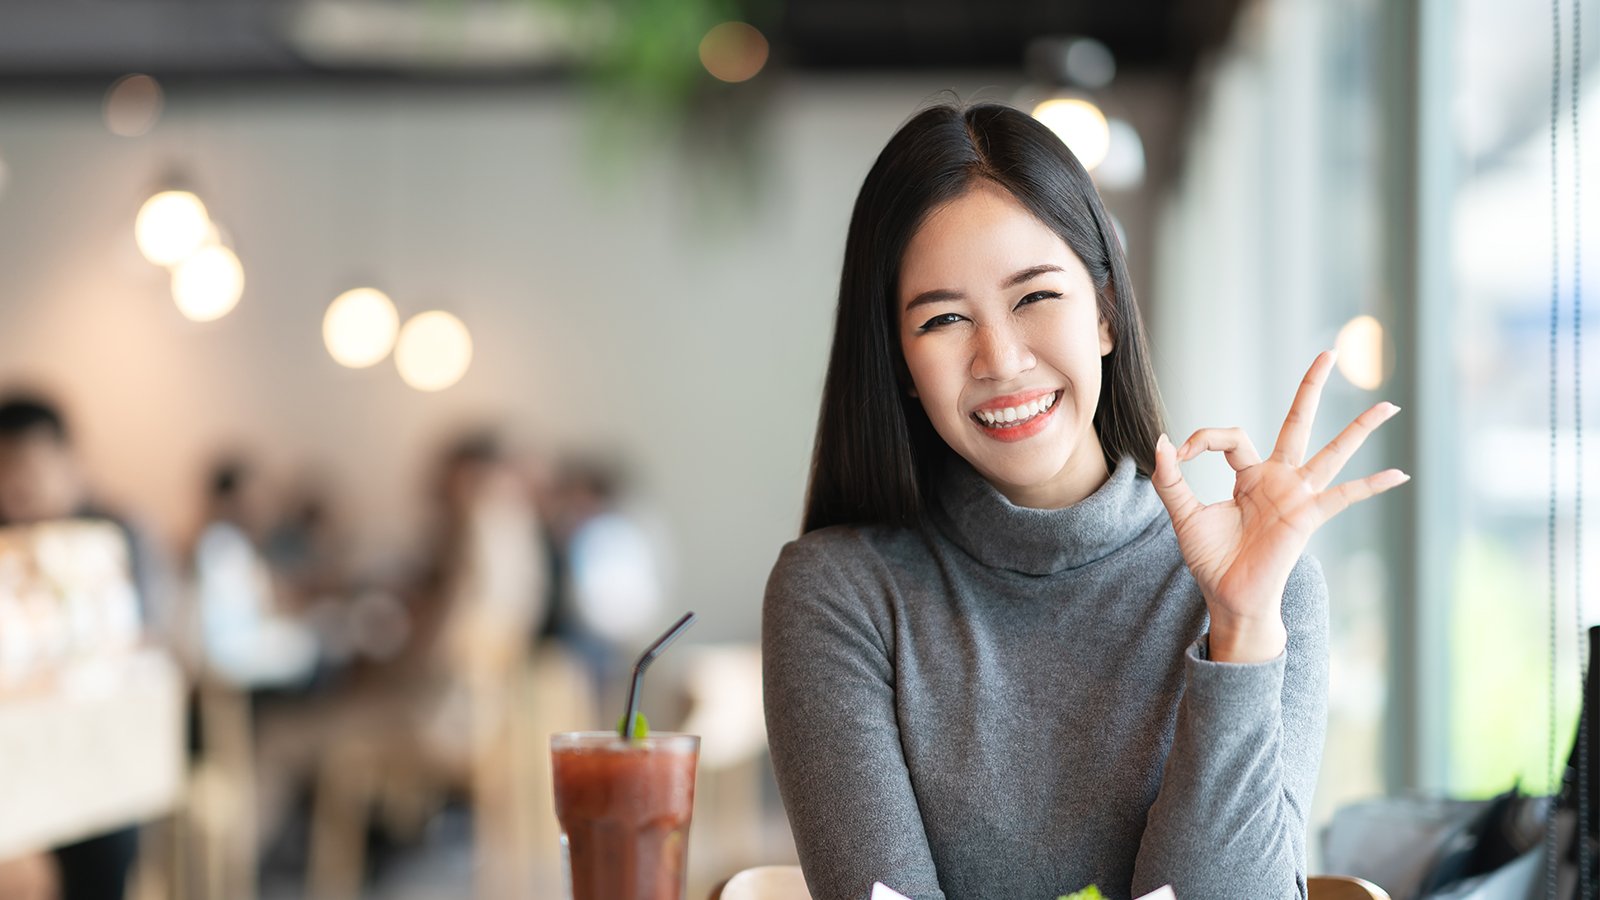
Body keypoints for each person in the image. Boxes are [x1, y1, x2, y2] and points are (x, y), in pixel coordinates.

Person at [761, 103, 1409, 900]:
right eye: (943, 319)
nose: (1000, 359)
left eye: (1035, 297)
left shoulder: (1270, 591)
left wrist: (1239, 629)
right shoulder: (841, 594)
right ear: (899, 362)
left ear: (1104, 311)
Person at [0, 394, 168, 900]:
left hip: (96, 755)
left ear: (68, 462)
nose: (16, 483)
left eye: (28, 465)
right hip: (15, 758)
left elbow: (151, 640)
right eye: (4, 467)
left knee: (103, 846)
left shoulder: (116, 535)